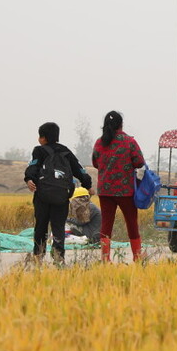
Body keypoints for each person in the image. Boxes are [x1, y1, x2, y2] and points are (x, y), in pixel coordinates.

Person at [25, 121, 92, 263]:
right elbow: (79, 170)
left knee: (41, 226)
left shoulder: (39, 150)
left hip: (42, 195)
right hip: (61, 196)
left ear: (44, 138)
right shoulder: (66, 151)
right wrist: (88, 184)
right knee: (58, 227)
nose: (38, 139)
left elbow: (34, 165)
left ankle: (38, 256)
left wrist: (29, 179)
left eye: (40, 136)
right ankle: (58, 257)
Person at [91, 110, 146, 262]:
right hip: (125, 191)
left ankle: (105, 258)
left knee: (106, 224)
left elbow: (95, 163)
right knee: (131, 223)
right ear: (121, 124)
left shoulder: (99, 142)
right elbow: (139, 162)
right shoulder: (129, 141)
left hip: (105, 190)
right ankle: (137, 257)